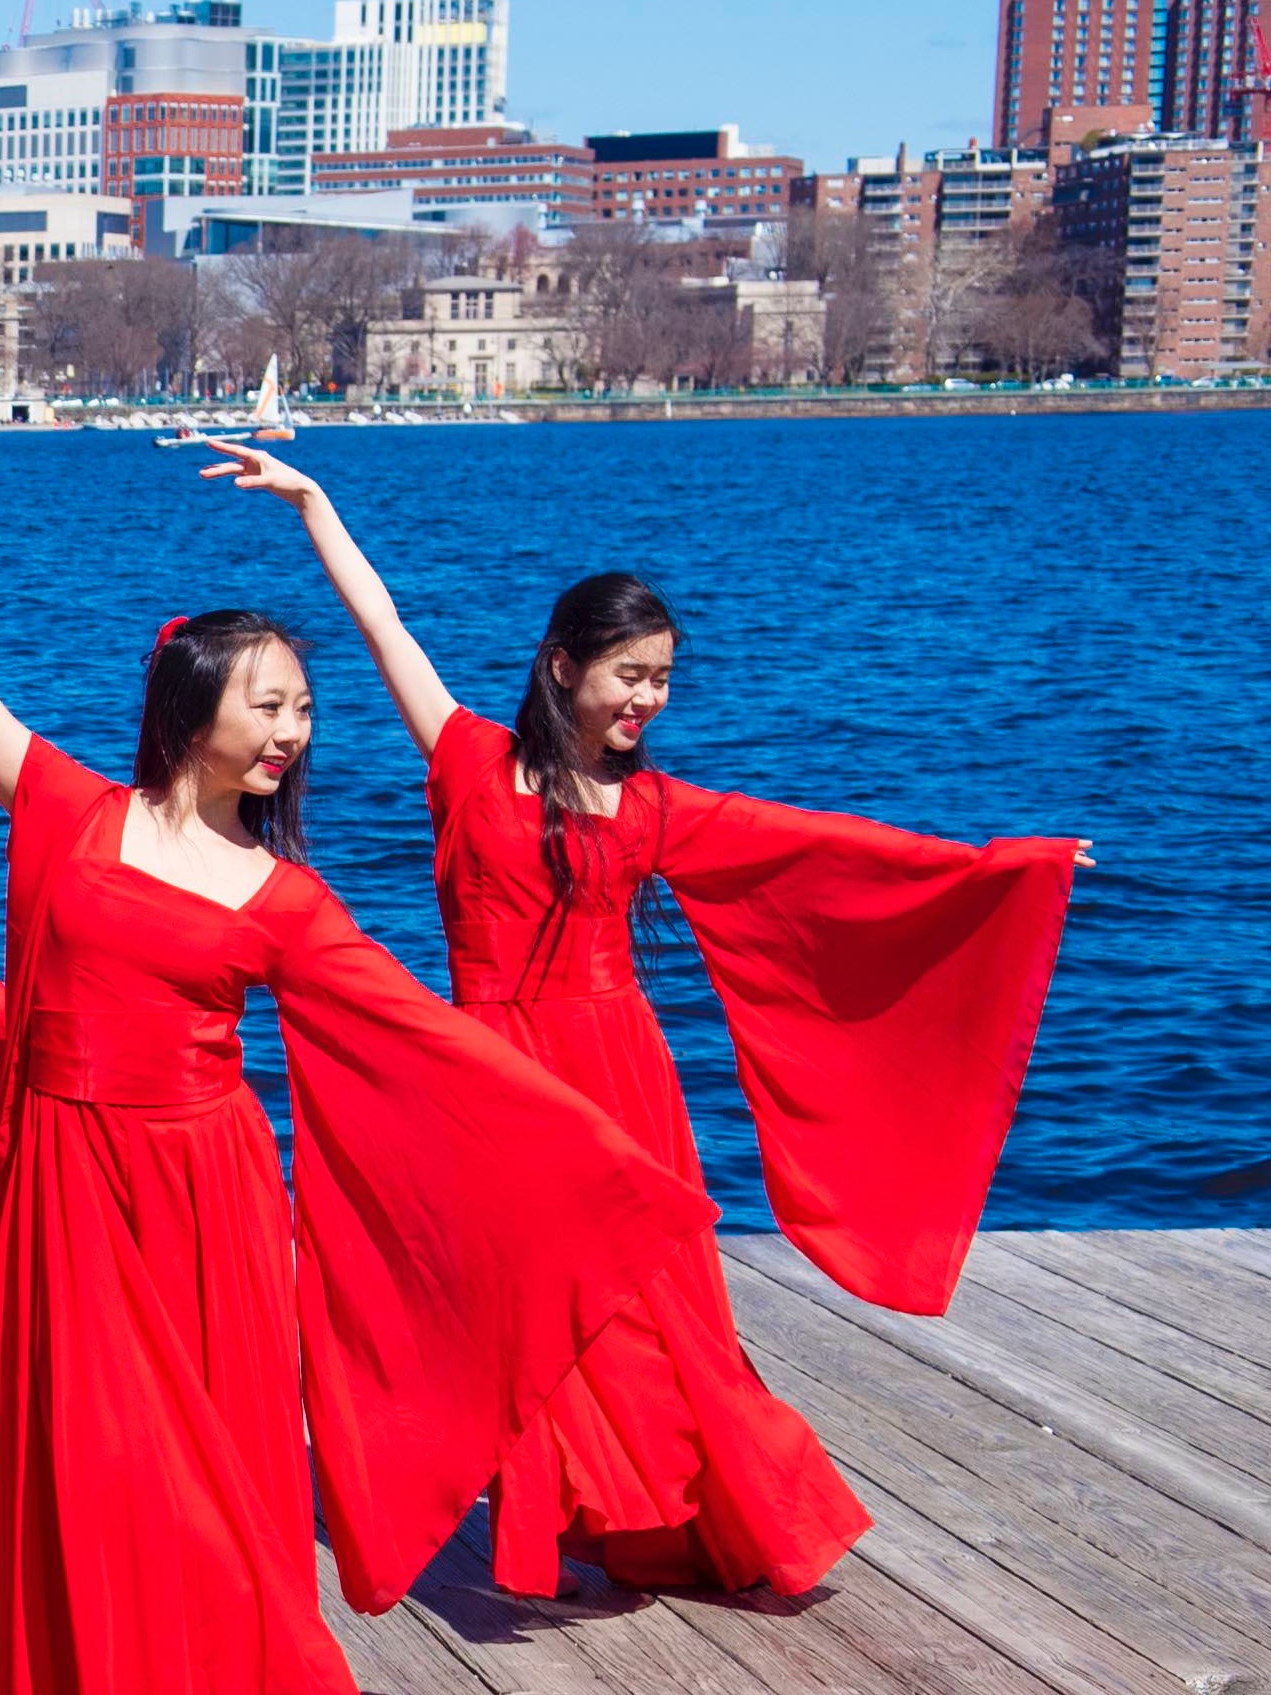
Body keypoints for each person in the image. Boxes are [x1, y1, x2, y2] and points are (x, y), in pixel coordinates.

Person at [0, 452, 713, 1695]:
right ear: (191, 704)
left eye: (301, 712)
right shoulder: (65, 811)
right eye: (267, 705)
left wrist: (593, 1165)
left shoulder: (279, 897)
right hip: (68, 1173)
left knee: (209, 1458)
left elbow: (422, 1041)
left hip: (202, 1186)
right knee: (93, 1450)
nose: (288, 733)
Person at [204, 443, 1081, 1596]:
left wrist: (1003, 870)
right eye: (629, 672)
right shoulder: (468, 761)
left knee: (658, 1306)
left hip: (617, 1068)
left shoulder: (653, 805)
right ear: (562, 665)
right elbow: (383, 630)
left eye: (663, 676)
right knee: (531, 1296)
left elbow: (826, 850)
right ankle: (586, 1500)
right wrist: (316, 503)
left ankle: (700, 1511)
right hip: (496, 1070)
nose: (648, 698)